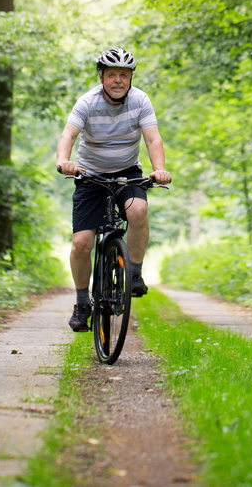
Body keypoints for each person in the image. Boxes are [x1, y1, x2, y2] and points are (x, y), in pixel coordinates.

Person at [56, 48, 172, 332]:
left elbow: (153, 139)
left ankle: (133, 273)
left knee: (139, 210)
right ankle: (83, 303)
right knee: (82, 243)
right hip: (90, 175)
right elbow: (67, 135)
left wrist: (159, 170)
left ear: (130, 78)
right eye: (111, 75)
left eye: (124, 74)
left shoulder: (141, 100)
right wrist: (63, 161)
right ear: (101, 77)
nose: (118, 80)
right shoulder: (87, 102)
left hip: (127, 172)